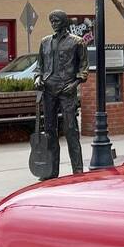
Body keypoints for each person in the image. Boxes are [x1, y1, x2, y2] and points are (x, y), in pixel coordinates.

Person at [35, 10, 89, 177]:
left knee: (71, 130)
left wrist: (75, 84)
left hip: (67, 90)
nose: (53, 24)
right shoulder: (44, 42)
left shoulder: (77, 42)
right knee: (50, 131)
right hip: (49, 90)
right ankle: (52, 171)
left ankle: (78, 171)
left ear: (64, 22)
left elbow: (83, 69)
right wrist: (37, 78)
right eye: (51, 21)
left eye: (57, 21)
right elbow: (39, 66)